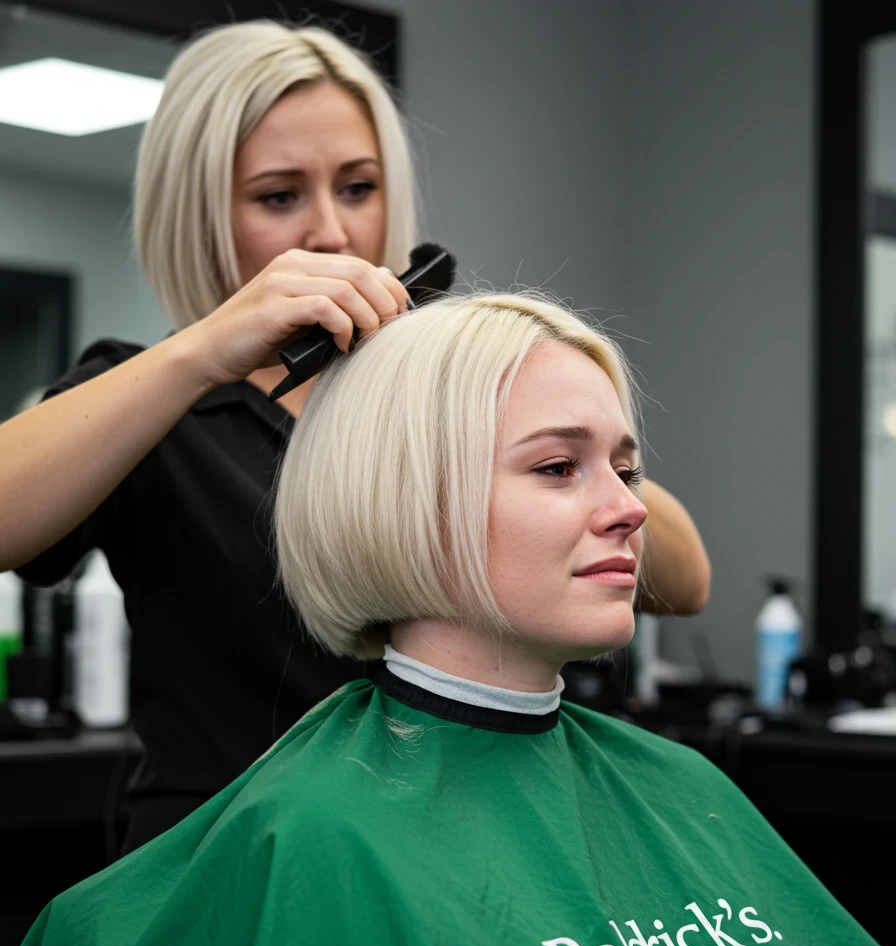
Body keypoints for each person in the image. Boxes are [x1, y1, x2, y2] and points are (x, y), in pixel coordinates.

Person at [0, 292, 893, 946]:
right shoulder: (312, 849)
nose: (629, 505)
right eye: (557, 467)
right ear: (408, 497)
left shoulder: (678, 779)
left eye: (625, 466)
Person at [0, 21, 709, 853]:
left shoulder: (449, 393)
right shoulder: (155, 401)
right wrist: (196, 355)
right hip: (249, 863)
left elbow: (685, 577)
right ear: (201, 218)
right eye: (278, 195)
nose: (332, 232)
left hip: (481, 838)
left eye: (358, 187)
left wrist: (547, 449)